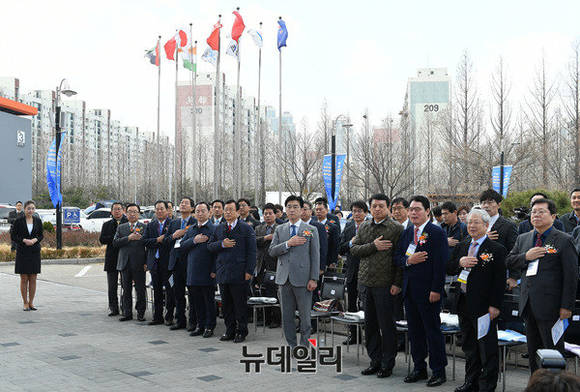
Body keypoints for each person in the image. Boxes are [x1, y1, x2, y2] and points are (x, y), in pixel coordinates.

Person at [506, 198, 578, 374]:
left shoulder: (563, 239)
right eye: (533, 212)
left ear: (553, 216)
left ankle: (555, 386)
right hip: (528, 304)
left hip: (553, 307)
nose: (536, 215)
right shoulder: (523, 238)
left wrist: (566, 306)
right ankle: (536, 384)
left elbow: (571, 276)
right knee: (533, 353)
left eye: (541, 211)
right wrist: (526, 257)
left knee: (553, 353)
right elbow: (508, 261)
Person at [447, 208, 506, 392]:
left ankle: (487, 385)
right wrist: (459, 263)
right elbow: (448, 267)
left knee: (487, 348)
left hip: (484, 306)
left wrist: (495, 305)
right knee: (469, 347)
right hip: (463, 303)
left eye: (476, 222)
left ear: (486, 225)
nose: (471, 226)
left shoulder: (496, 248)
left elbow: (499, 280)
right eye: (469, 222)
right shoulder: (463, 245)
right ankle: (470, 382)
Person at [394, 195, 449, 387]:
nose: (413, 212)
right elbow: (398, 258)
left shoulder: (436, 232)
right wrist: (409, 260)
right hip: (410, 291)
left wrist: (436, 289)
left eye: (417, 209)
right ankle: (419, 367)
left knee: (432, 331)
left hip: (429, 292)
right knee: (415, 332)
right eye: (411, 209)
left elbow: (441, 264)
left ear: (427, 211)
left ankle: (439, 370)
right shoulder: (408, 232)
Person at [350, 194, 403, 378]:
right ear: (370, 208)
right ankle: (375, 361)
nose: (377, 209)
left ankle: (387, 363)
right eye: (374, 206)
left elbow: (399, 260)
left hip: (385, 285)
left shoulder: (396, 228)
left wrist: (397, 283)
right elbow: (354, 249)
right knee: (370, 325)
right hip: (365, 283)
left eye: (381, 206)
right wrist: (373, 246)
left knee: (387, 326)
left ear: (388, 208)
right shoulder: (364, 226)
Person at [269, 195, 320, 348]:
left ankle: (304, 346)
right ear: (285, 210)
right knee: (287, 317)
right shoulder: (280, 229)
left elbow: (315, 256)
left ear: (301, 209)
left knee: (305, 317)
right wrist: (287, 244)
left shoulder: (311, 230)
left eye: (295, 207)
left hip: (303, 279)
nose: (292, 210)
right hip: (284, 279)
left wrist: (314, 278)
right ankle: (292, 346)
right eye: (289, 207)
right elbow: (272, 251)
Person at [207, 200, 256, 343]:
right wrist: (222, 244)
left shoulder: (246, 229)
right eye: (226, 210)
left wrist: (249, 271)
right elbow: (210, 246)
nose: (227, 212)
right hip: (223, 271)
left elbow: (252, 252)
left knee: (239, 304)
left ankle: (241, 331)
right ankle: (229, 330)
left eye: (230, 210)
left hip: (240, 272)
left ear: (237, 212)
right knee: (226, 304)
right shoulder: (219, 228)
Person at [181, 202, 217, 338]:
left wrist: (214, 270)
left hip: (208, 271)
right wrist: (194, 240)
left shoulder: (214, 229)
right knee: (196, 302)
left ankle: (209, 326)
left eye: (203, 211)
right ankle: (200, 325)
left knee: (209, 301)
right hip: (193, 271)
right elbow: (182, 246)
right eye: (197, 211)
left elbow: (217, 252)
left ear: (209, 213)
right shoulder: (191, 229)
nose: (200, 214)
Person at [338, 200, 369, 345]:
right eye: (354, 211)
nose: (357, 214)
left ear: (366, 213)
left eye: (360, 211)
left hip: (368, 271)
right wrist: (351, 242)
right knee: (351, 304)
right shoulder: (349, 227)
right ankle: (353, 335)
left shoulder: (371, 227)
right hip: (351, 270)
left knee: (367, 305)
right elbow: (341, 248)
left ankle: (369, 335)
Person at [166, 197, 197, 330]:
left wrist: (185, 234)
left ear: (192, 208)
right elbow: (166, 240)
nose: (183, 205)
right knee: (178, 294)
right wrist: (174, 235)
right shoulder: (174, 223)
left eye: (186, 203)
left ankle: (193, 321)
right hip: (176, 263)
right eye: (181, 203)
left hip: (190, 263)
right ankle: (180, 320)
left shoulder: (195, 222)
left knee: (192, 294)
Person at [479, 189, 518, 290]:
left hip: (499, 273)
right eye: (483, 203)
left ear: (499, 204)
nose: (486, 205)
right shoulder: (475, 224)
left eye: (490, 202)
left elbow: (514, 251)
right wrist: (483, 238)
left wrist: (513, 276)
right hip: (478, 272)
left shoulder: (509, 226)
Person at [114, 203, 147, 322]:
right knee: (126, 289)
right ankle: (127, 313)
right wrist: (128, 238)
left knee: (140, 289)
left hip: (139, 263)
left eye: (135, 212)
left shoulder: (144, 227)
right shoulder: (121, 227)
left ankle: (141, 313)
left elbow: (148, 245)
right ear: (125, 213)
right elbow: (115, 242)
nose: (132, 214)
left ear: (139, 214)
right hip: (125, 263)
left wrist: (146, 262)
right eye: (129, 212)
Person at [143, 200, 173, 325]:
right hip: (154, 262)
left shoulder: (172, 224)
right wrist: (157, 240)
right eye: (157, 209)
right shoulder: (151, 225)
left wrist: (164, 239)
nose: (159, 211)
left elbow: (173, 241)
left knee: (170, 291)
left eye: (162, 209)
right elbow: (145, 241)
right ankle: (157, 316)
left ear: (167, 210)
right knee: (157, 290)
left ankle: (169, 316)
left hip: (168, 263)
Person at [11, 200, 43, 311]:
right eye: (28, 208)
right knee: (24, 278)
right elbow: (13, 236)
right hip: (22, 252)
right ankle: (25, 303)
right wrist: (24, 240)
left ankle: (31, 302)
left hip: (34, 252)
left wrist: (35, 240)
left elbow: (41, 235)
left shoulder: (38, 221)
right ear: (24, 209)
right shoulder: (19, 221)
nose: (31, 210)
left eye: (33, 208)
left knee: (33, 278)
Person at [254, 203, 281, 328]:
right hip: (261, 264)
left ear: (275, 214)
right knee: (262, 292)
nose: (268, 216)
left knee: (274, 293)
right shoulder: (259, 228)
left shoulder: (281, 228)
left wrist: (273, 238)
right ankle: (264, 318)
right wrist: (265, 238)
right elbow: (254, 241)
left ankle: (276, 319)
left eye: (270, 213)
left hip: (275, 265)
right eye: (265, 214)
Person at [99, 202, 127, 316]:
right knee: (112, 286)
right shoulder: (107, 224)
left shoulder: (128, 223)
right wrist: (115, 237)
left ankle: (125, 307)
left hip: (125, 257)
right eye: (115, 209)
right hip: (112, 258)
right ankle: (113, 308)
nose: (117, 211)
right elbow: (102, 239)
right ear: (111, 211)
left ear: (123, 210)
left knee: (126, 284)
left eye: (119, 209)